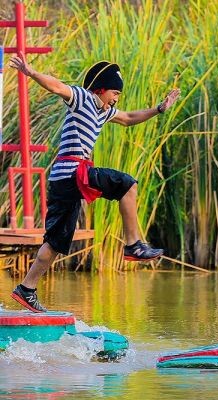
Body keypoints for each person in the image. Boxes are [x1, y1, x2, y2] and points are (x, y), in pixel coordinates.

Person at [8, 52, 181, 313]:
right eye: (114, 93)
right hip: (72, 171)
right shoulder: (84, 98)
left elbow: (129, 118)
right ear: (100, 89)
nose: (116, 99)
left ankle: (26, 289)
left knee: (56, 241)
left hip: (64, 180)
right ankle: (134, 245)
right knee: (127, 184)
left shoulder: (105, 111)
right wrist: (31, 72)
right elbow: (57, 86)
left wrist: (159, 109)